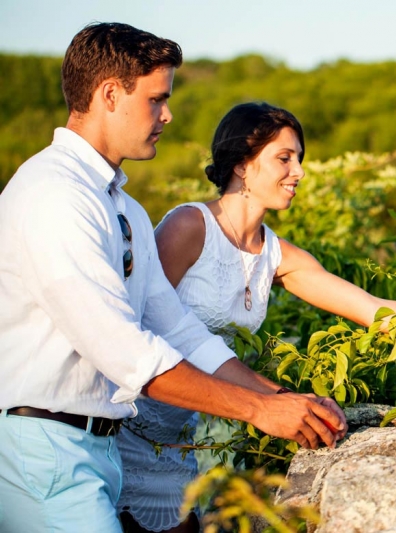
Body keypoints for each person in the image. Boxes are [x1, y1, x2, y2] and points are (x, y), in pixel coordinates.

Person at [116, 101, 396, 532]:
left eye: (299, 159)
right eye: (284, 158)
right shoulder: (189, 225)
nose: (298, 171)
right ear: (243, 165)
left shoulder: (277, 255)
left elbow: (377, 310)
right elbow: (134, 326)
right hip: (140, 426)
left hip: (213, 434)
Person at [0, 23, 346, 533]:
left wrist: (280, 401)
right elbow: (124, 350)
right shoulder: (56, 195)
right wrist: (257, 411)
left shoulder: (126, 210)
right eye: (157, 99)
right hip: (43, 446)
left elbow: (179, 327)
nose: (168, 114)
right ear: (110, 94)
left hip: (98, 448)